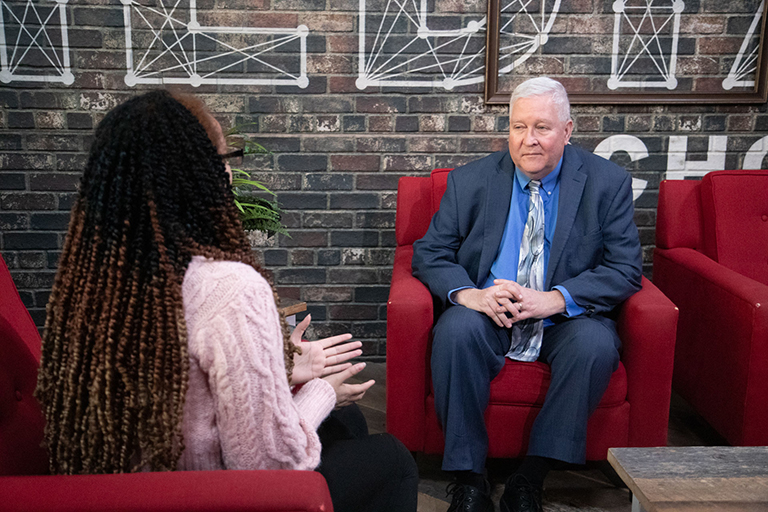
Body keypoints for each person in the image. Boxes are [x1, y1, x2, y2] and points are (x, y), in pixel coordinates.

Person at [35, 90, 417, 512]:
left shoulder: (93, 281)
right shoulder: (230, 288)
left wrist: (286, 369)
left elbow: (183, 391)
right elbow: (267, 466)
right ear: (197, 176)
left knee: (347, 420)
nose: (231, 176)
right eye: (222, 160)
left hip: (128, 489)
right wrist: (320, 391)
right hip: (203, 493)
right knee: (393, 459)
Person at [411, 77, 642, 512]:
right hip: (489, 312)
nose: (528, 140)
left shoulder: (607, 183)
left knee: (594, 345)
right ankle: (469, 479)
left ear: (568, 130)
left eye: (542, 127)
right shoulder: (470, 181)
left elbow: (626, 269)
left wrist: (556, 299)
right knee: (456, 331)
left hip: (565, 318)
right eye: (519, 127)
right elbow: (429, 253)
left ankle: (529, 478)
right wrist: (468, 294)